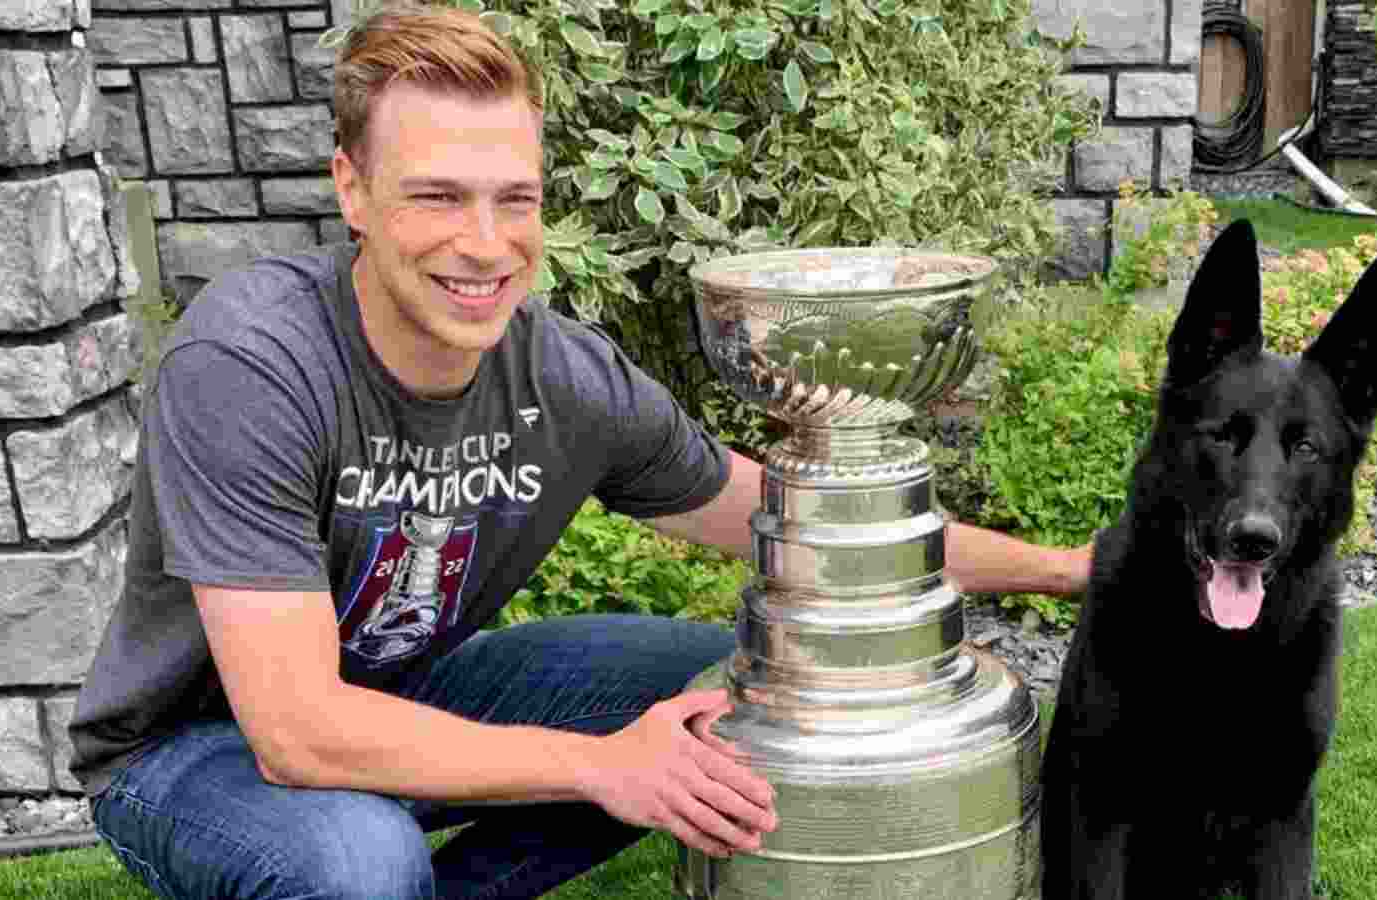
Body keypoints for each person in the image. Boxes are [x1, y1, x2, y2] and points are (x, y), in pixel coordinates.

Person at [67, 4, 1093, 899]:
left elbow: (781, 515)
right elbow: (296, 731)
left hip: (400, 691)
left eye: (514, 199)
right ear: (351, 189)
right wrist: (603, 765)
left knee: (727, 702)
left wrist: (1072, 571)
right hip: (193, 751)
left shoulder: (555, 373)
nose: (484, 241)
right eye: (437, 196)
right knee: (356, 862)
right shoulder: (254, 360)